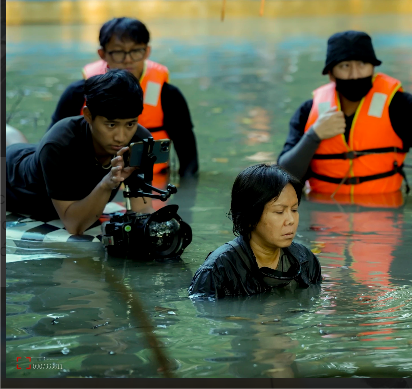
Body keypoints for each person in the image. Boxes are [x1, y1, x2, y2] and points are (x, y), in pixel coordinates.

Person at [277, 29, 412, 196]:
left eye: (362, 64)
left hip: (384, 219)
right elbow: (283, 177)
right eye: (345, 66)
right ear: (331, 74)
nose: (355, 75)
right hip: (324, 222)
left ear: (373, 69)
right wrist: (313, 136)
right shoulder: (308, 112)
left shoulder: (396, 106)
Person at [6, 70, 155, 234]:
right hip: (12, 181)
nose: (121, 137)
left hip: (37, 155)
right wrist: (107, 183)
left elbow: (143, 208)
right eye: (111, 125)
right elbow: (74, 225)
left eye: (130, 124)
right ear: (88, 115)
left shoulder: (140, 140)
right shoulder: (59, 144)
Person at [49, 17, 199, 177]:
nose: (128, 59)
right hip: (89, 184)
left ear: (147, 51)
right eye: (118, 52)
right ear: (102, 54)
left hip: (151, 183)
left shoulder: (168, 95)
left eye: (136, 51)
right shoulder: (77, 93)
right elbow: (52, 147)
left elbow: (188, 156)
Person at [188, 164, 322, 299]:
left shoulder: (305, 261)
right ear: (250, 217)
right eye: (279, 212)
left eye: (294, 210)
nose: (291, 220)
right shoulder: (218, 271)